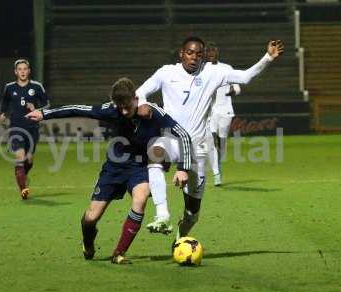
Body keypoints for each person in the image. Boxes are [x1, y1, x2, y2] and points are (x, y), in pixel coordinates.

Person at [25, 77, 192, 264]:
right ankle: (88, 241)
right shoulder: (112, 110)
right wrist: (45, 114)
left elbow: (184, 135)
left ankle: (119, 253)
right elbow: (79, 109)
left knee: (141, 197)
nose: (124, 111)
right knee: (91, 218)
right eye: (120, 107)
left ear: (136, 98)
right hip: (114, 168)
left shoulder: (153, 112)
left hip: (140, 167)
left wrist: (183, 168)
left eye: (127, 106)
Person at [136, 37, 284, 240]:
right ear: (181, 53)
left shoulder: (213, 72)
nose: (194, 57)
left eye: (199, 54)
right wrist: (142, 103)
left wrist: (268, 57)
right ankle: (162, 214)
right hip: (171, 138)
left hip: (197, 148)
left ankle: (181, 237)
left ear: (203, 56)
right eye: (190, 52)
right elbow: (140, 91)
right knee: (155, 153)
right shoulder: (166, 72)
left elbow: (245, 77)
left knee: (192, 213)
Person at [0, 59, 50, 200]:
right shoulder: (9, 87)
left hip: (32, 128)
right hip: (16, 128)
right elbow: (4, 101)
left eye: (25, 69)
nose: (22, 71)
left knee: (29, 160)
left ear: (29, 71)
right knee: (20, 157)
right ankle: (23, 189)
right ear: (15, 72)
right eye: (19, 69)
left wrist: (36, 109)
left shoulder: (37, 86)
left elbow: (47, 105)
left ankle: (23, 177)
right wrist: (2, 113)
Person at [205, 42, 241, 186]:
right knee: (212, 141)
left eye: (214, 51)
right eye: (209, 51)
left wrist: (233, 91)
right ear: (206, 53)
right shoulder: (201, 70)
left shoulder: (226, 68)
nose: (211, 54)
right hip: (209, 111)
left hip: (225, 110)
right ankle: (216, 174)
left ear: (217, 53)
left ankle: (218, 167)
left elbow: (238, 88)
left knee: (222, 142)